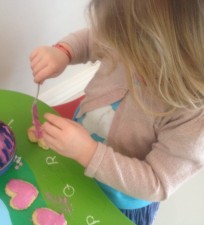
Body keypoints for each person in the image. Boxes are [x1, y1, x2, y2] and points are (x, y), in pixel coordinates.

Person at [29, 1, 204, 225]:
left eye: (126, 47)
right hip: (76, 157)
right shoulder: (129, 35)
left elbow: (157, 182)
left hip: (118, 200)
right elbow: (94, 38)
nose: (115, 49)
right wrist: (63, 52)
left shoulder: (192, 118)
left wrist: (89, 153)